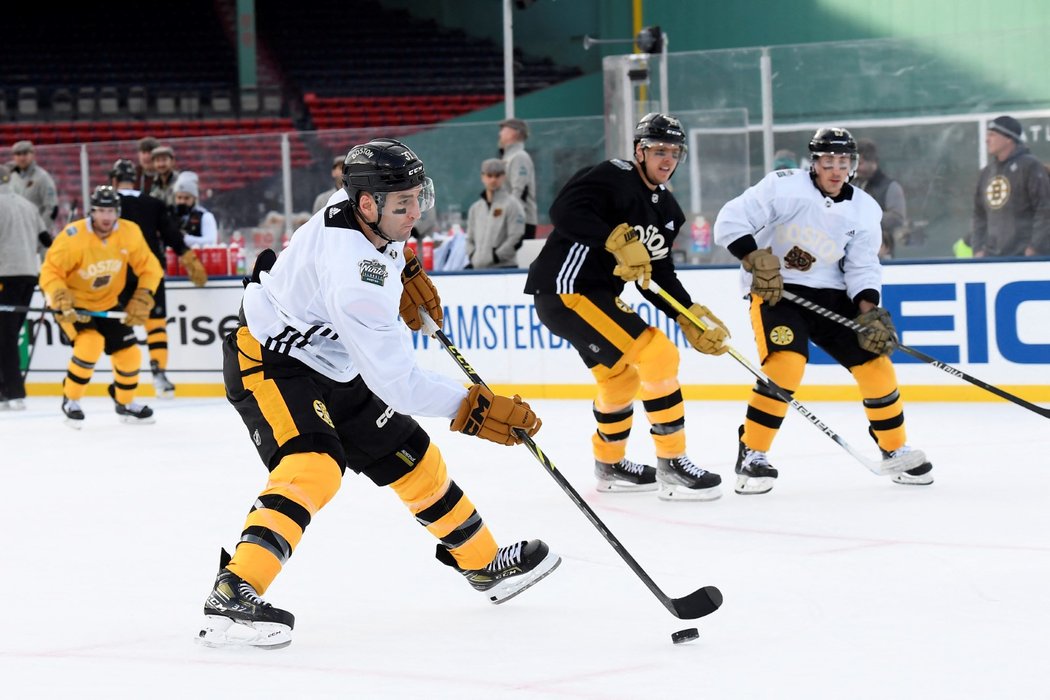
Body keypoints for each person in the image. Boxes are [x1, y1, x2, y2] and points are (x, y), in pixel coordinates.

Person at [197, 138, 558, 650]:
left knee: (415, 459)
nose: (416, 213)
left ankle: (482, 565)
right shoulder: (356, 285)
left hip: (334, 365)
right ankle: (233, 592)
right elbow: (400, 384)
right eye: (403, 204)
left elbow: (373, 249)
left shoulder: (351, 210)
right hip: (273, 363)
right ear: (368, 204)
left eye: (418, 197)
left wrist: (405, 266)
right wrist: (472, 408)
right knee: (314, 467)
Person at [713, 126, 933, 495]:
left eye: (843, 161)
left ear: (853, 165)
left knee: (876, 366)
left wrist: (868, 310)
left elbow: (863, 266)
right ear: (814, 163)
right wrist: (754, 259)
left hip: (831, 295)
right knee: (786, 364)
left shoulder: (865, 209)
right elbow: (730, 220)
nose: (835, 169)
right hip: (776, 290)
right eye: (827, 161)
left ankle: (894, 450)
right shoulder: (782, 187)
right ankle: (753, 451)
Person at [524, 112, 729, 501]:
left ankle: (610, 464)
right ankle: (672, 463)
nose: (667, 159)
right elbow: (563, 213)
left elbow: (656, 275)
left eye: (674, 152)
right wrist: (610, 238)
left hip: (592, 297)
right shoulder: (612, 175)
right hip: (566, 289)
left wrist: (689, 315)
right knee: (659, 355)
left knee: (621, 379)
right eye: (658, 150)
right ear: (639, 151)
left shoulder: (669, 212)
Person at [38, 185, 163, 428]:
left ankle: (124, 402)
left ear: (118, 212)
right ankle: (71, 400)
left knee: (130, 354)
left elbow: (150, 267)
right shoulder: (73, 237)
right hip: (73, 305)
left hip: (107, 302)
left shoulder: (130, 232)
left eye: (110, 211)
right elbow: (50, 271)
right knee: (89, 344)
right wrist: (59, 296)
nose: (106, 217)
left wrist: (143, 295)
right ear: (91, 212)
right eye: (100, 211)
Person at [110, 159, 207, 399]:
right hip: (149, 271)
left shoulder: (108, 204)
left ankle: (122, 379)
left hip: (117, 271)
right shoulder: (153, 203)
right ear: (137, 179)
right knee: (155, 325)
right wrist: (188, 257)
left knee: (119, 327)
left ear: (113, 181)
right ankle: (160, 376)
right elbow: (171, 234)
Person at [0, 164, 48, 410]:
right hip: (30, 275)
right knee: (9, 334)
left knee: (5, 337)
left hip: (5, 275)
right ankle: (6, 390)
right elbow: (46, 239)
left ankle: (14, 391)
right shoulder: (28, 205)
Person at [971, 115, 1050, 257]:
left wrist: (1034, 248)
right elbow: (979, 214)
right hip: (992, 257)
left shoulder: (1030, 166)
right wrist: (977, 249)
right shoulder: (986, 173)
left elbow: (1045, 209)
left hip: (1024, 257)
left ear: (1009, 139)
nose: (987, 140)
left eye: (992, 135)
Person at [465, 158, 526, 269]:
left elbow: (516, 237)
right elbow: (469, 238)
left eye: (497, 176)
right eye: (489, 175)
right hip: (478, 270)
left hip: (505, 268)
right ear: (482, 177)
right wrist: (473, 256)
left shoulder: (513, 205)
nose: (493, 180)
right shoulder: (475, 208)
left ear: (504, 177)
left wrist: (495, 257)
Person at [854, 139, 908, 259]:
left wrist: (865, 218)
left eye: (860, 163)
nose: (856, 168)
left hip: (882, 256)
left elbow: (897, 218)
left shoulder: (890, 187)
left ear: (873, 162)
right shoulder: (853, 185)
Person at [498, 118, 537, 241]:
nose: (500, 133)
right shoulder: (509, 157)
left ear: (514, 133)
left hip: (519, 223)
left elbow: (519, 191)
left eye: (504, 129)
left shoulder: (519, 157)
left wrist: (509, 218)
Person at [6, 140, 58, 228]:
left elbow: (52, 208)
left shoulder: (42, 177)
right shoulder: (10, 177)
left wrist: (41, 230)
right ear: (14, 157)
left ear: (33, 155)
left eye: (25, 154)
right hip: (16, 230)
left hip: (35, 231)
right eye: (18, 154)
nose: (22, 158)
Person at [172, 171, 218, 246]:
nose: (182, 201)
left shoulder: (204, 216)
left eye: (186, 198)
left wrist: (185, 238)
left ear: (194, 198)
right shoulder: (169, 215)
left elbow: (210, 241)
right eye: (179, 197)